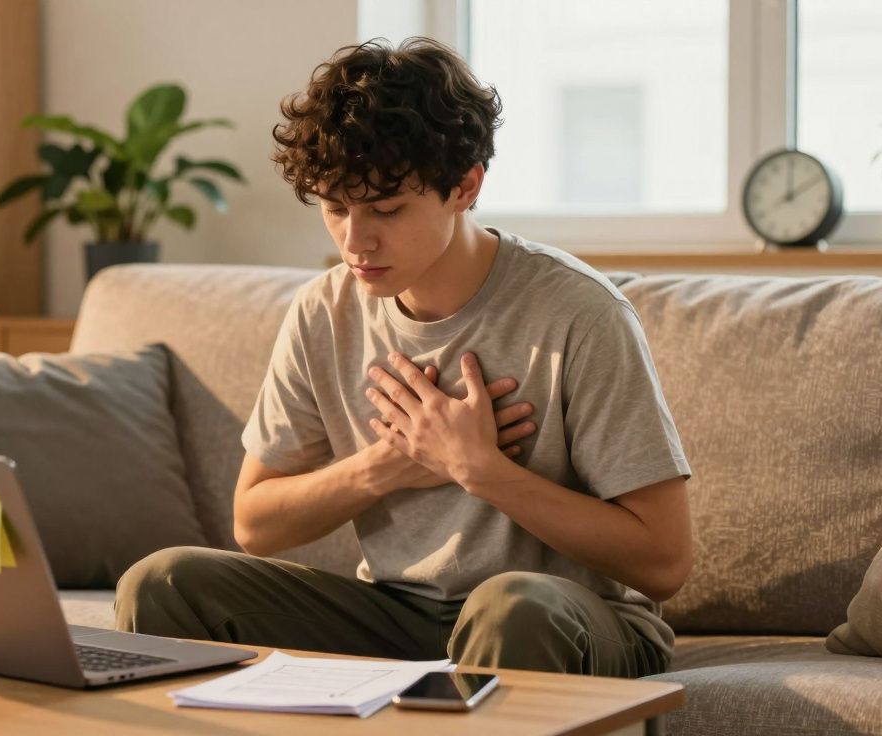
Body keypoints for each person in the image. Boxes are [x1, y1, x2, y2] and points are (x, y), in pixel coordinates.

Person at [115, 36, 693, 678]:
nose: (355, 242)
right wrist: (387, 466)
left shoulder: (579, 314)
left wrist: (479, 469)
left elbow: (664, 563)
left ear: (465, 187)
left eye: (387, 209)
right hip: (397, 614)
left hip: (565, 618)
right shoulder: (324, 311)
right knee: (163, 583)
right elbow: (255, 522)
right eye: (336, 209)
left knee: (510, 608)